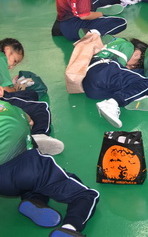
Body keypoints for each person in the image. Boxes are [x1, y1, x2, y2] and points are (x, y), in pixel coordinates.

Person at [0, 100, 99, 237]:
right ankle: (70, 228)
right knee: (85, 195)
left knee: (31, 184)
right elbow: (30, 121)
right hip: (28, 168)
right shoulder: (9, 107)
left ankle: (34, 199)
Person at [84, 37, 148, 128]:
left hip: (92, 89)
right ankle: (112, 103)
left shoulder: (109, 51)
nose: (135, 61)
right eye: (136, 56)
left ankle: (130, 97)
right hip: (104, 70)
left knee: (126, 86)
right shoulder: (125, 48)